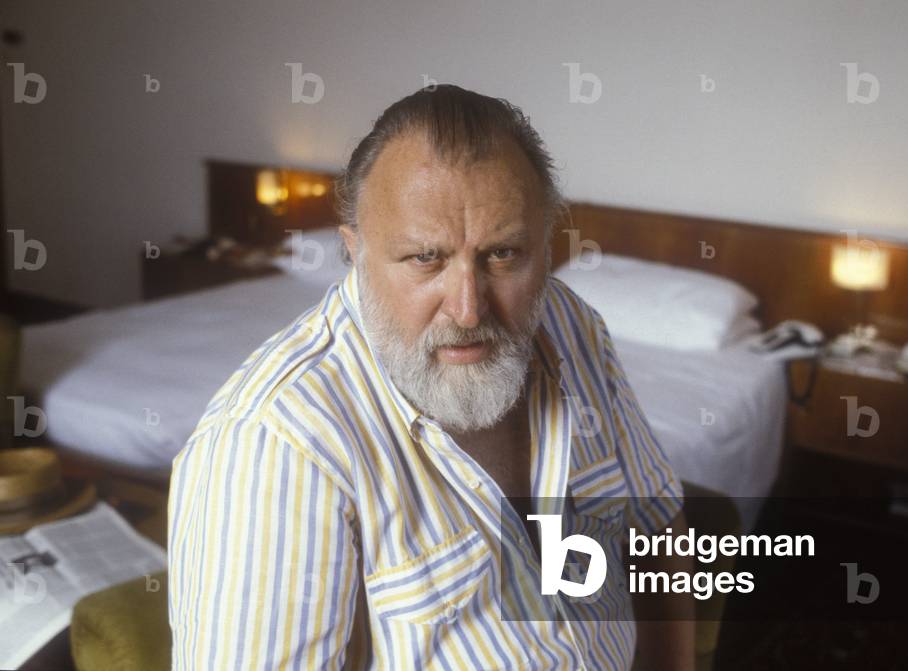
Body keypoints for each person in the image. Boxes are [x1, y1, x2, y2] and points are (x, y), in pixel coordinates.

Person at [169, 84, 694, 670]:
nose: (468, 311)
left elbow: (655, 530)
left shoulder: (572, 325)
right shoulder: (274, 448)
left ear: (546, 248)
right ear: (356, 253)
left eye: (503, 254)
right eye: (425, 258)